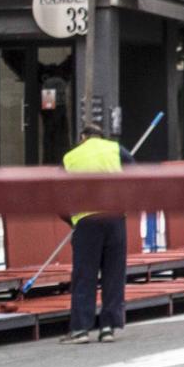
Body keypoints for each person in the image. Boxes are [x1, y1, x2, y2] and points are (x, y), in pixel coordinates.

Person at [62, 121, 127, 344]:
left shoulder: (71, 157)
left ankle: (81, 329)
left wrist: (72, 221)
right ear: (101, 136)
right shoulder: (116, 150)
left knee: (84, 275)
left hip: (87, 221)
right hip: (115, 219)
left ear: (83, 137)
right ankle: (108, 327)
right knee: (113, 274)